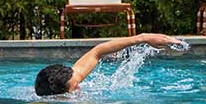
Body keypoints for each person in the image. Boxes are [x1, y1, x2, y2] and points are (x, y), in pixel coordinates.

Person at [34, 32, 183, 96]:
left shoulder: (69, 78)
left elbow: (97, 52)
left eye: (77, 82)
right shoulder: (48, 102)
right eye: (74, 87)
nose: (80, 86)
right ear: (59, 97)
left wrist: (144, 38)